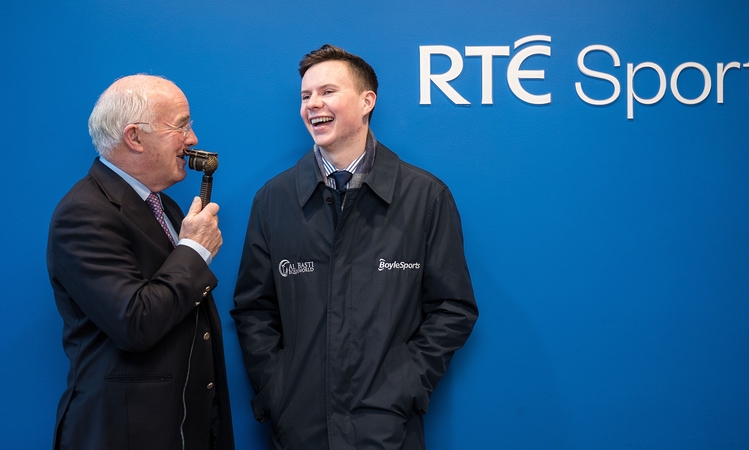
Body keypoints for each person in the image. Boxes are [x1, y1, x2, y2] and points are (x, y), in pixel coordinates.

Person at [231, 44, 478, 449]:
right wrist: (278, 388)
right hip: (299, 430)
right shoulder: (274, 200)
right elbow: (254, 309)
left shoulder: (425, 197)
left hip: (387, 431)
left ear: (367, 102)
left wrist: (407, 381)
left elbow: (453, 307)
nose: (313, 104)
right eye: (305, 96)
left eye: (327, 91)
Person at [47, 74, 235, 450]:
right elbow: (135, 323)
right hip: (125, 433)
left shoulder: (165, 206)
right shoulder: (83, 214)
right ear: (134, 137)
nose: (193, 139)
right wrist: (194, 251)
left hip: (187, 428)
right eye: (181, 126)